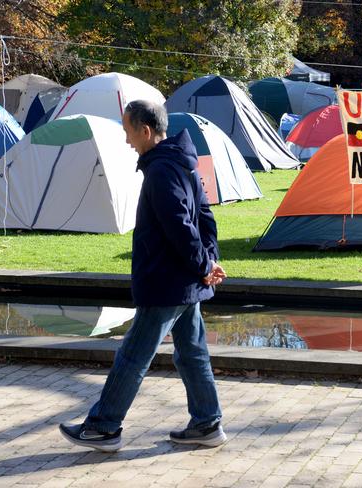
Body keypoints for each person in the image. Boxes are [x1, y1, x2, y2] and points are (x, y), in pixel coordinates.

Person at [59, 100, 227, 452]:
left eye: (127, 131)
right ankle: (207, 423)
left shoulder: (162, 170)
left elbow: (180, 226)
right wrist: (209, 261)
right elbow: (205, 215)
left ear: (145, 130)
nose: (126, 140)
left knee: (133, 356)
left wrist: (203, 264)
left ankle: (104, 427)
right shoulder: (183, 163)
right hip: (186, 283)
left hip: (166, 283)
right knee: (191, 354)